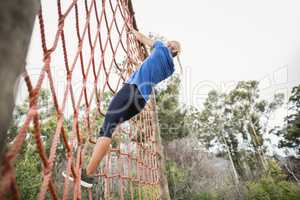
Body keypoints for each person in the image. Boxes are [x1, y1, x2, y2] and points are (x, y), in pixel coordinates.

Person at [67, 28, 181, 187]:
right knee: (109, 127)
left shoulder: (161, 47)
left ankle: (88, 175)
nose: (167, 43)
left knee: (107, 128)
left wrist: (131, 29)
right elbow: (148, 68)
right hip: (141, 102)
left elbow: (142, 38)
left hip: (132, 90)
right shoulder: (170, 70)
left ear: (172, 49)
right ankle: (88, 173)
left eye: (170, 44)